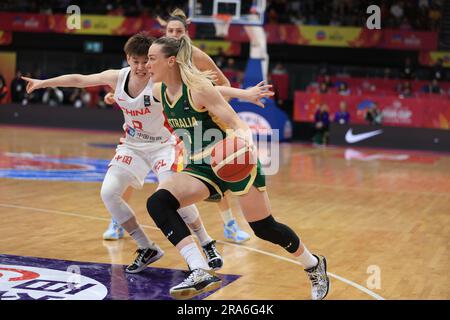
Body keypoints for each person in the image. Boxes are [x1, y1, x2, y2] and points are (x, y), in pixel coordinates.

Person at [22, 32, 272, 274]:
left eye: (146, 61)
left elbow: (206, 90)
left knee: (173, 199)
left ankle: (206, 243)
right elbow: (80, 79)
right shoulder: (117, 77)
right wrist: (43, 83)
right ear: (128, 59)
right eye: (136, 61)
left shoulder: (160, 82)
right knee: (108, 193)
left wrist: (244, 94)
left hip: (165, 145)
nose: (142, 66)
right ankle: (146, 247)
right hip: (132, 145)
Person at [144, 35, 329, 300]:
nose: (147, 64)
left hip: (231, 161)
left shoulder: (197, 89)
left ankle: (313, 264)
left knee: (265, 228)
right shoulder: (157, 93)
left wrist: (243, 143)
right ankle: (199, 268)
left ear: (170, 61)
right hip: (200, 167)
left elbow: (237, 123)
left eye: (152, 59)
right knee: (158, 202)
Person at [146, 8, 253, 244]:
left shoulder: (197, 56)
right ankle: (121, 219)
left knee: (217, 170)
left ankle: (229, 226)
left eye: (178, 31)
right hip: (173, 121)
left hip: (201, 119)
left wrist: (213, 107)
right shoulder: (159, 60)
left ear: (186, 33)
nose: (174, 34)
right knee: (161, 174)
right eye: (170, 30)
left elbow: (221, 84)